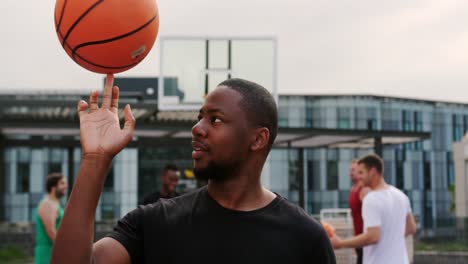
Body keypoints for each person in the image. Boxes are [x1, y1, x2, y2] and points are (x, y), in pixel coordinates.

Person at [51, 75, 336, 264]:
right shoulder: (155, 222)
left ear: (258, 139)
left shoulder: (304, 238)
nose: (197, 128)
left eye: (215, 120)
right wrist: (95, 160)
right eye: (200, 118)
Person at [331, 154, 417, 264]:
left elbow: (373, 236)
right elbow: (411, 228)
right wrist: (390, 238)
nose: (358, 177)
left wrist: (341, 243)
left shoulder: (371, 199)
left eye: (361, 172)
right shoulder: (401, 195)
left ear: (372, 171)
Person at [34, 173, 68, 264]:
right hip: (48, 253)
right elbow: (51, 230)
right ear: (53, 187)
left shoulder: (54, 204)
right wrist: (64, 249)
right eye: (62, 183)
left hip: (53, 251)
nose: (66, 186)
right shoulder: (47, 204)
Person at [348, 159, 371, 264]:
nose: (351, 173)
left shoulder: (364, 190)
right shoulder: (353, 189)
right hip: (358, 238)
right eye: (350, 170)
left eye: (354, 170)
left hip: (365, 240)